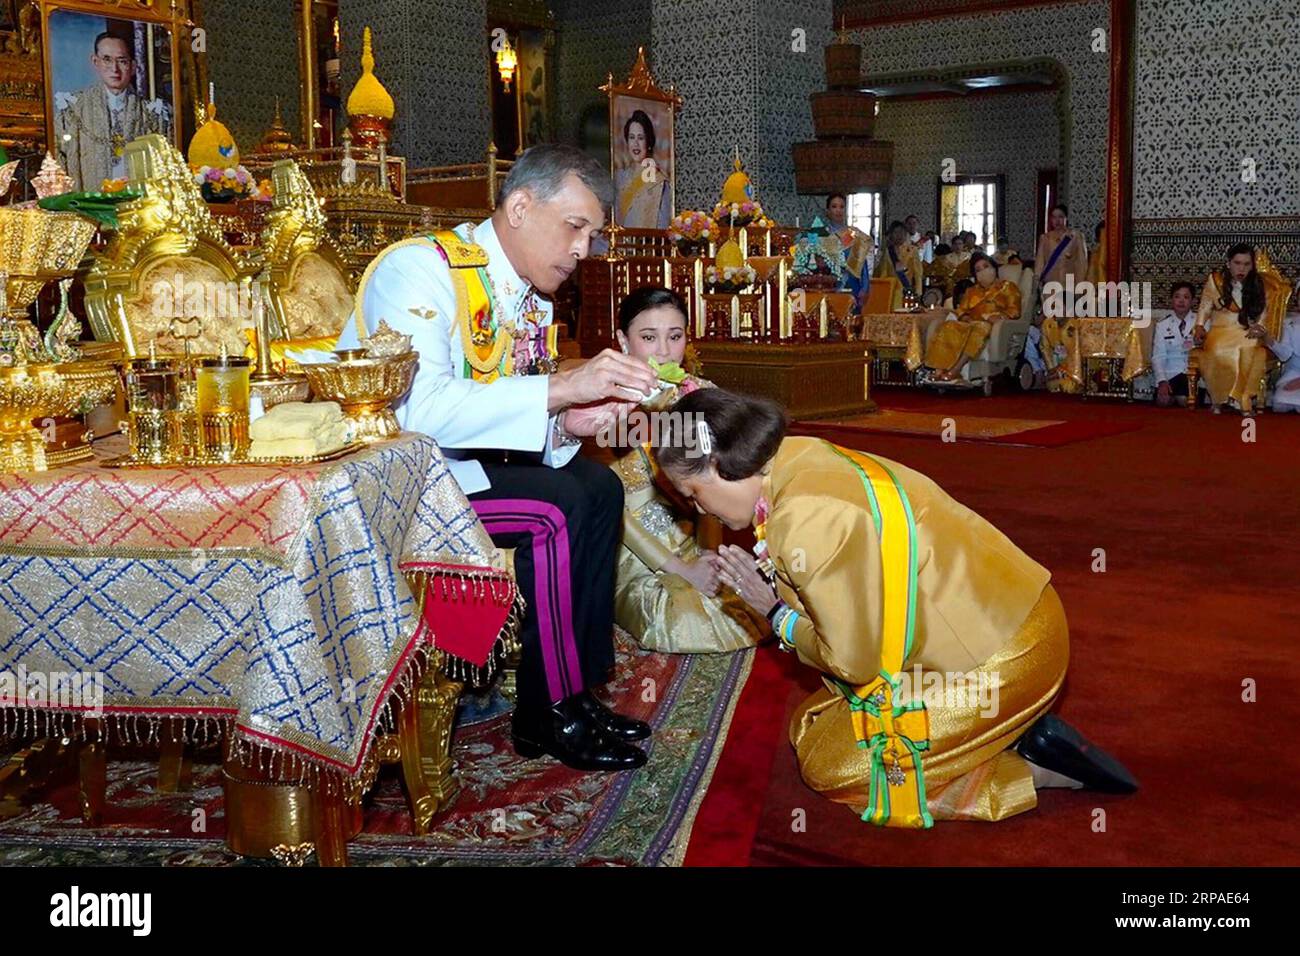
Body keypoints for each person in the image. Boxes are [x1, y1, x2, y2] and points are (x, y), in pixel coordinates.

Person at [653, 389, 1138, 827]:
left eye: (694, 494)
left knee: (834, 768)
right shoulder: (799, 457)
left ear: (718, 464)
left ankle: (1033, 771)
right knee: (813, 726)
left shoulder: (803, 517)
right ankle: (998, 733)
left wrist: (776, 614)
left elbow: (855, 662)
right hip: (1002, 618)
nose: (700, 510)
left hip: (1003, 655)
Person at [339, 144, 662, 772]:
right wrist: (564, 389)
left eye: (592, 235)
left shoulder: (526, 293)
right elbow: (416, 413)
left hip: (457, 470)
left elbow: (516, 416)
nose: (583, 250)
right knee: (556, 508)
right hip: (391, 481)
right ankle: (549, 712)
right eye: (575, 227)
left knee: (598, 488)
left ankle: (575, 689)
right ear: (519, 206)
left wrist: (570, 424)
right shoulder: (421, 270)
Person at [606, 286, 766, 653]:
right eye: (648, 337)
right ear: (622, 340)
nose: (663, 351)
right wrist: (678, 568)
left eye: (674, 336)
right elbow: (613, 509)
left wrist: (708, 553)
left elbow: (709, 488)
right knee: (680, 619)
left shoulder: (695, 396)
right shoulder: (603, 405)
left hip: (688, 531)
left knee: (744, 605)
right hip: (628, 545)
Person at [54, 27, 172, 191]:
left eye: (122, 61)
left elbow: (165, 169)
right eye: (107, 59)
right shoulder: (72, 109)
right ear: (95, 61)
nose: (114, 69)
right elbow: (58, 162)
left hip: (135, 207)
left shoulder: (152, 114)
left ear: (132, 66)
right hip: (88, 206)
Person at [1193, 243, 1284, 414]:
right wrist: (1199, 326)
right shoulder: (1215, 281)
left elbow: (1265, 313)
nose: (1241, 268)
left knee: (1249, 348)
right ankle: (1220, 398)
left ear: (1252, 265)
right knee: (1217, 349)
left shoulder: (1260, 285)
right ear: (1228, 263)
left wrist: (1260, 328)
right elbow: (1205, 305)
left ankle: (1242, 397)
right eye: (1237, 263)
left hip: (1247, 330)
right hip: (1220, 330)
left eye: (1246, 264)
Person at [923, 251, 1021, 382]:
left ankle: (956, 370)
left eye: (985, 266)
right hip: (969, 322)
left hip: (991, 325)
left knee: (980, 327)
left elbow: (1014, 310)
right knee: (949, 325)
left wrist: (999, 317)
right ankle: (939, 370)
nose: (983, 271)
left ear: (993, 267)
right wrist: (966, 318)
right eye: (978, 270)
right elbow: (961, 310)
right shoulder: (972, 291)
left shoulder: (1008, 287)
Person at [614, 109, 671, 229]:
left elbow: (663, 225)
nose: (635, 144)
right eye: (631, 137)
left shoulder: (659, 182)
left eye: (640, 138)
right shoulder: (619, 177)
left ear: (648, 142)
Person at [1150, 281, 1198, 407]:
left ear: (1193, 301)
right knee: (1162, 402)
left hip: (1193, 375)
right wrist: (1162, 381)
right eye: (1177, 297)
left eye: (1186, 297)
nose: (1181, 301)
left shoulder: (1201, 323)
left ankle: (1180, 397)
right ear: (1171, 300)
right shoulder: (1162, 325)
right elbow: (1158, 356)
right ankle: (1175, 396)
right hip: (1171, 374)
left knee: (1186, 400)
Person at [824, 193, 874, 307]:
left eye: (842, 207)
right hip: (829, 286)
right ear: (827, 211)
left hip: (852, 285)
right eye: (834, 206)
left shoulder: (853, 234)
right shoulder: (822, 234)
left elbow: (863, 263)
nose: (838, 210)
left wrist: (865, 287)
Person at [1034, 204, 1088, 293]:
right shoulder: (1045, 238)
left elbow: (1081, 264)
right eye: (1054, 217)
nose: (1057, 221)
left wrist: (1080, 286)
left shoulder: (1076, 237)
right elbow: (1040, 263)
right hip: (1050, 284)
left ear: (1066, 218)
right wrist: (1036, 281)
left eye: (1060, 217)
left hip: (1069, 285)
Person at [872, 220, 923, 304]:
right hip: (890, 292)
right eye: (896, 232)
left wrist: (918, 292)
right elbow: (883, 272)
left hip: (906, 290)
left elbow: (918, 273)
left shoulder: (912, 251)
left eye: (902, 232)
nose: (899, 235)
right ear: (891, 235)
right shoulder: (888, 251)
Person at [1258, 312, 1300, 413]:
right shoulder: (1289, 323)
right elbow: (1285, 354)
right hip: (1293, 375)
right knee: (1281, 400)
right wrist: (1267, 338)